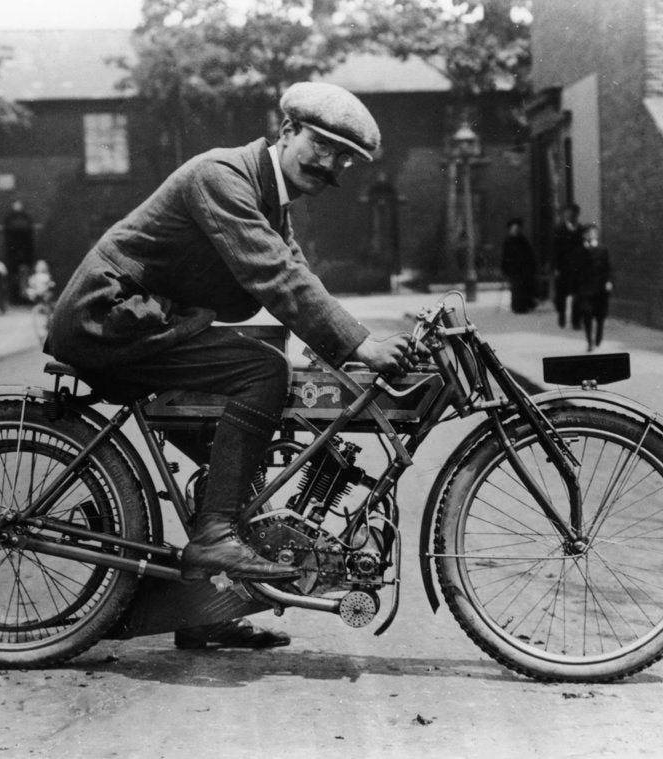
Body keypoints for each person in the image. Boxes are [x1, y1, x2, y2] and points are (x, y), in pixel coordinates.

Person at [46, 82, 420, 650]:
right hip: (111, 320)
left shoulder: (267, 198)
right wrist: (360, 344)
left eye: (345, 158)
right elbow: (274, 276)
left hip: (147, 322)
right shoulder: (221, 177)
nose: (333, 164)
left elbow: (295, 271)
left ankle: (204, 610)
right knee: (262, 371)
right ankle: (215, 535)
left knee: (242, 454)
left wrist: (337, 344)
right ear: (287, 130)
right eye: (324, 145)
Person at [571, 223, 613, 352]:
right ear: (584, 235)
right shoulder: (579, 251)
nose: (591, 235)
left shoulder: (603, 250)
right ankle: (590, 341)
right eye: (588, 233)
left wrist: (609, 281)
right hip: (585, 290)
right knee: (587, 314)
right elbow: (575, 271)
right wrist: (574, 290)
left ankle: (599, 334)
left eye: (594, 232)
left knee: (600, 315)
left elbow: (608, 268)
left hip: (600, 289)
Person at [551, 203, 582, 329]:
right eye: (567, 213)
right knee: (561, 294)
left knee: (577, 294)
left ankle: (576, 321)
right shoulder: (559, 230)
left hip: (577, 267)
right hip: (563, 267)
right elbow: (554, 250)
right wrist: (556, 267)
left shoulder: (581, 229)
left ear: (576, 215)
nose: (569, 216)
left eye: (572, 213)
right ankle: (562, 316)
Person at [500, 217, 537, 314]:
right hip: (513, 270)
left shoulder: (523, 241)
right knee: (516, 288)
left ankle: (525, 305)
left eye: (517, 229)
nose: (516, 231)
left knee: (524, 288)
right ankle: (517, 307)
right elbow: (505, 256)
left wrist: (532, 266)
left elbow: (529, 254)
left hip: (524, 269)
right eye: (514, 229)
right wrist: (504, 269)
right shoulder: (508, 242)